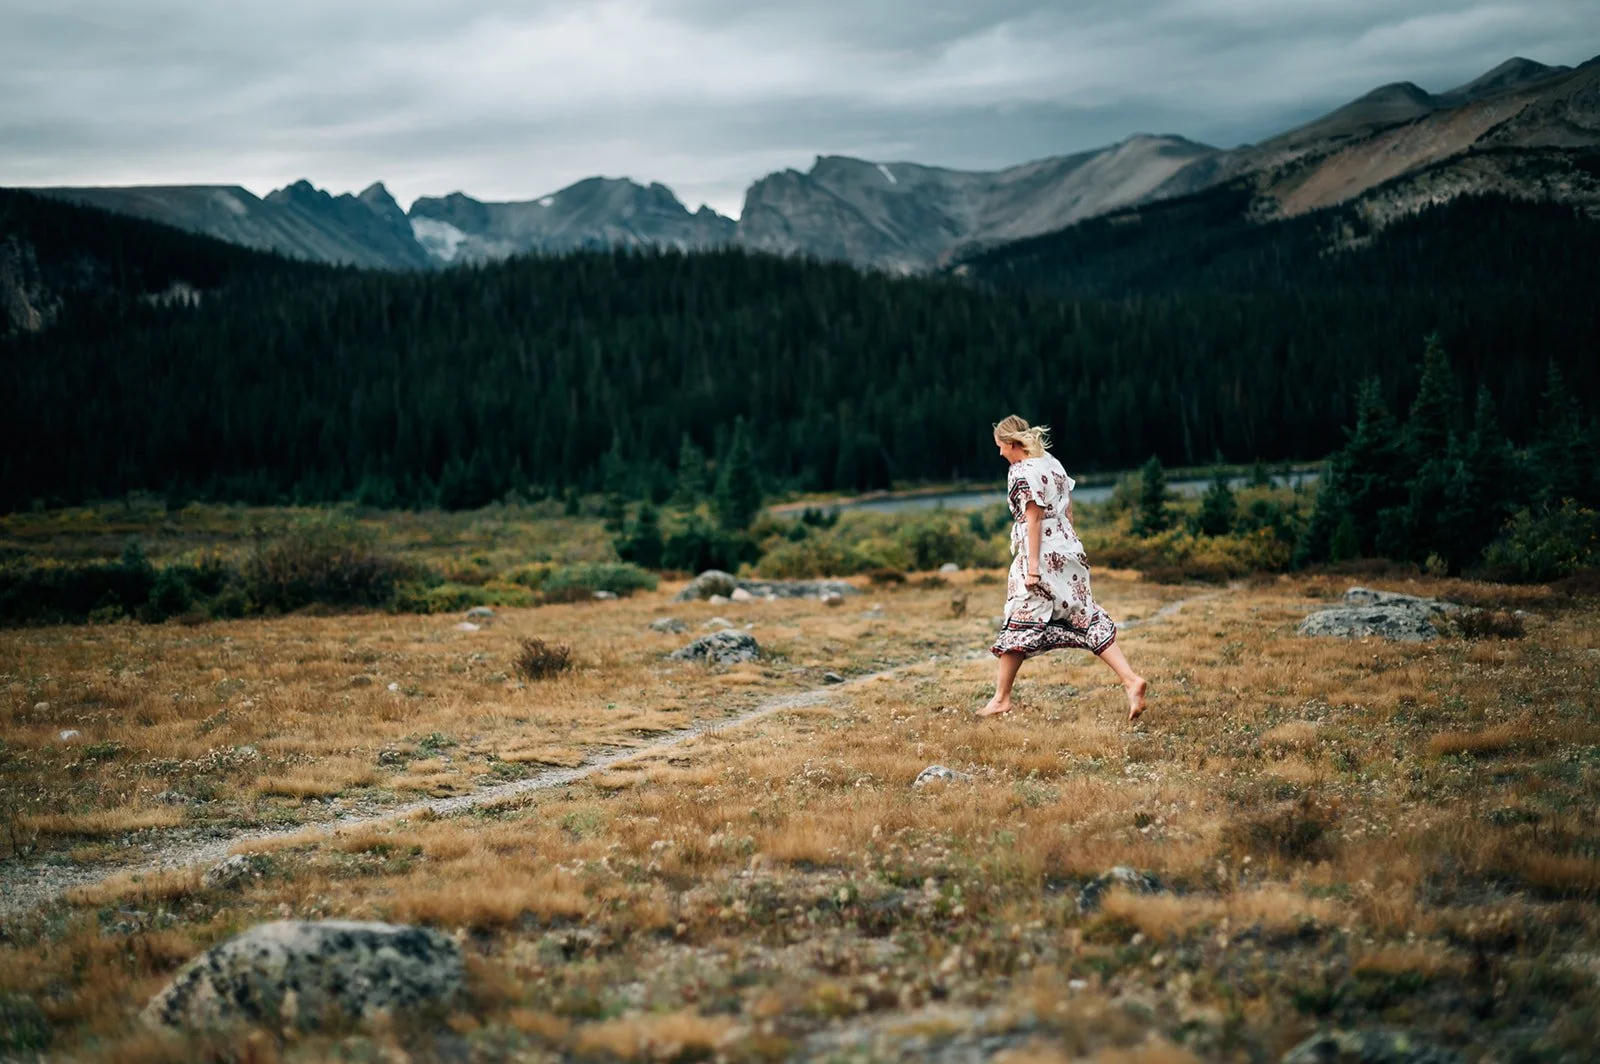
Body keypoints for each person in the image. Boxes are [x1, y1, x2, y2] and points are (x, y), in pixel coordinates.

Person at [981, 415, 1148, 721]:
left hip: (1041, 553)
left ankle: (1001, 699)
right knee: (1083, 615)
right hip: (1067, 548)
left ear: (1013, 444)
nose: (1000, 453)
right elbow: (1068, 509)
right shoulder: (1051, 462)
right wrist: (1069, 547)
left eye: (1000, 446)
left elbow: (1032, 520)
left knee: (1020, 617)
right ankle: (1130, 680)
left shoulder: (1020, 472)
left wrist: (1032, 568)